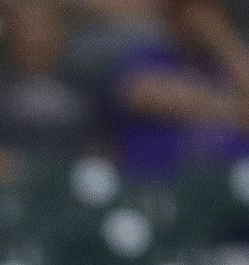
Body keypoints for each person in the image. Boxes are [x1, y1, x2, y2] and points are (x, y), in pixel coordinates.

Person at [0, 0, 95, 184]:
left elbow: (103, 147)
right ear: (7, 33)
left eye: (46, 28)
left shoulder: (86, 85)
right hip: (0, 191)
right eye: (26, 29)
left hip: (72, 190)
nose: (36, 38)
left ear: (63, 35)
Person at [106, 0, 249, 182]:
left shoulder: (235, 67)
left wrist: (224, 41)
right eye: (185, 12)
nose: (194, 21)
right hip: (160, 188)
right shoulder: (148, 58)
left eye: (206, 13)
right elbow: (143, 93)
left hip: (235, 188)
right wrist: (237, 108)